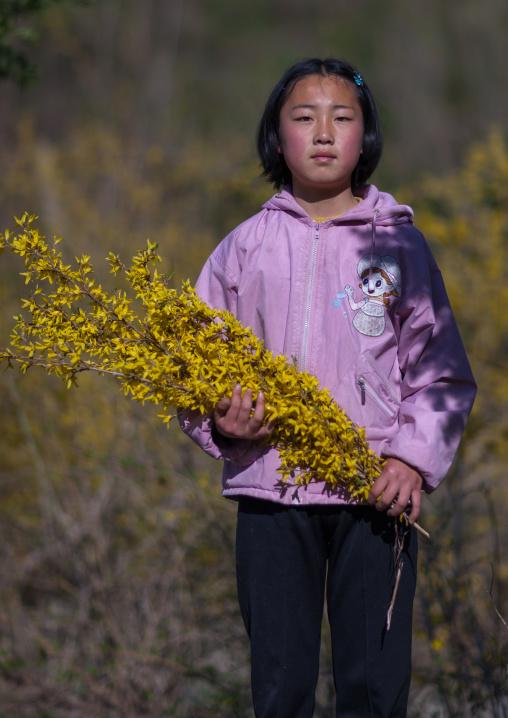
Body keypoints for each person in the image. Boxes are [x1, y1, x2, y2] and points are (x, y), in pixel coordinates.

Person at [179, 58, 476, 718]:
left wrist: (410, 461)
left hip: (373, 496)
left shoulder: (401, 248)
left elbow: (444, 373)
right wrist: (222, 423)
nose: (323, 132)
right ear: (274, 136)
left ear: (365, 137)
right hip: (271, 493)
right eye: (303, 117)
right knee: (281, 688)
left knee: (372, 688)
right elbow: (195, 369)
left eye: (342, 118)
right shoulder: (243, 247)